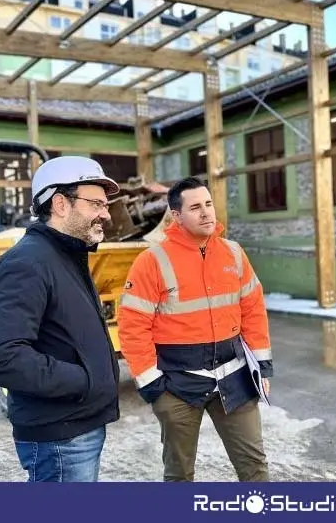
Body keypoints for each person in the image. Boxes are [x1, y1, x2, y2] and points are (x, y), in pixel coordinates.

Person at [0, 156, 121, 482]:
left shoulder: (67, 256)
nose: (106, 214)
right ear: (60, 203)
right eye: (96, 203)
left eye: (106, 205)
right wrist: (83, 381)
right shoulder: (28, 262)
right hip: (60, 437)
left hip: (76, 425)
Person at [117, 176, 273, 482]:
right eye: (195, 207)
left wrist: (262, 366)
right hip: (177, 386)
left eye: (209, 204)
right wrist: (153, 387)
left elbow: (253, 310)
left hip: (234, 379)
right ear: (176, 216)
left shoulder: (233, 253)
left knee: (255, 468)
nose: (206, 213)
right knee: (179, 475)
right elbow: (133, 326)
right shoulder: (152, 261)